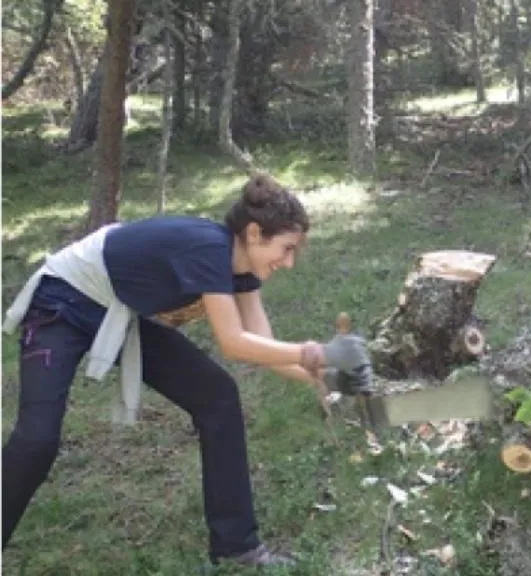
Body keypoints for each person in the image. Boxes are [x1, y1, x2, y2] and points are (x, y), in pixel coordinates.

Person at [2, 173, 372, 566]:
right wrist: (319, 354)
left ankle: (237, 547)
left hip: (119, 310)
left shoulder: (243, 270)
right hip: (62, 303)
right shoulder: (209, 249)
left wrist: (328, 377)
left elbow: (265, 348)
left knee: (217, 396)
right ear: (252, 233)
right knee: (38, 438)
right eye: (285, 248)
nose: (289, 261)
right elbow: (232, 343)